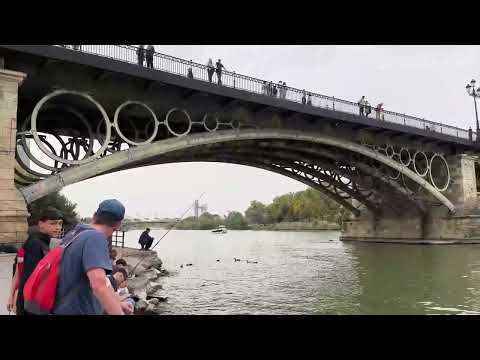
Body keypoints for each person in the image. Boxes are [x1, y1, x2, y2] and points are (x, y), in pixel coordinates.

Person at [52, 199, 132, 315]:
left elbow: (103, 281)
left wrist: (117, 303)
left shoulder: (75, 234)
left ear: (94, 216)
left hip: (60, 307)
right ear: (118, 224)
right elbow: (99, 285)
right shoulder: (95, 238)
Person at [16, 208, 63, 315]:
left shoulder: (42, 243)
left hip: (33, 305)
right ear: (41, 224)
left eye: (60, 224)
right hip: (31, 307)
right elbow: (29, 278)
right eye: (53, 223)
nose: (58, 227)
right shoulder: (36, 244)